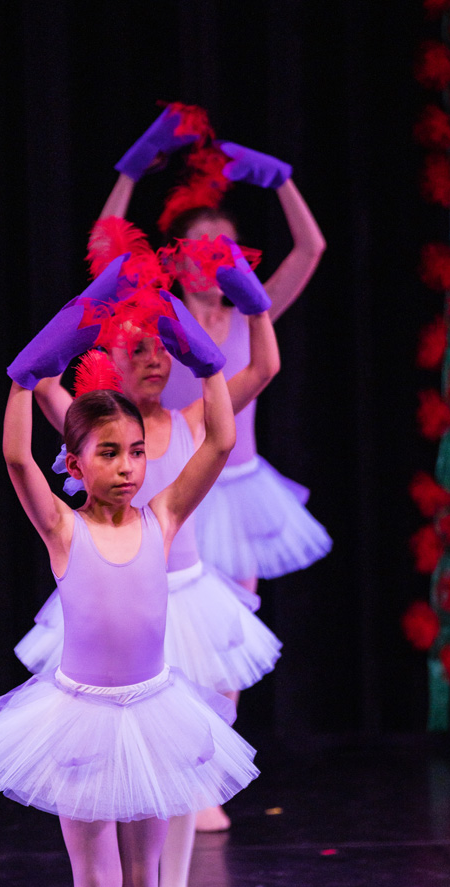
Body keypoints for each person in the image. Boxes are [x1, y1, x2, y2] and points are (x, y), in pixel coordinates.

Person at [0, 268, 260, 887]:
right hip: (81, 717)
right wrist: (24, 378)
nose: (127, 467)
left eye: (134, 453)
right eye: (108, 453)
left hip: (153, 713)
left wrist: (208, 364)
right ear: (77, 461)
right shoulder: (62, 527)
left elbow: (220, 442)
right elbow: (14, 455)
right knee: (95, 881)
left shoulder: (164, 518)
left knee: (143, 881)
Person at [21, 230, 280, 887]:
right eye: (137, 349)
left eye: (161, 347)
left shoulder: (192, 421)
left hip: (187, 600)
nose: (153, 358)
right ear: (113, 355)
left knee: (187, 754)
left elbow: (263, 368)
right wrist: (88, 312)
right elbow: (40, 381)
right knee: (118, 758)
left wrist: (254, 310)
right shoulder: (96, 429)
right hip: (115, 597)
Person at [101, 113, 332, 834]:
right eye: (199, 246)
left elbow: (312, 247)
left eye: (225, 247)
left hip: (243, 490)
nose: (213, 257)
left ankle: (208, 776)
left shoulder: (254, 312)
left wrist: (283, 181)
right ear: (178, 258)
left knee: (229, 641)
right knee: (173, 632)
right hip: (184, 486)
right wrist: (129, 173)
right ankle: (169, 766)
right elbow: (108, 253)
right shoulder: (164, 320)